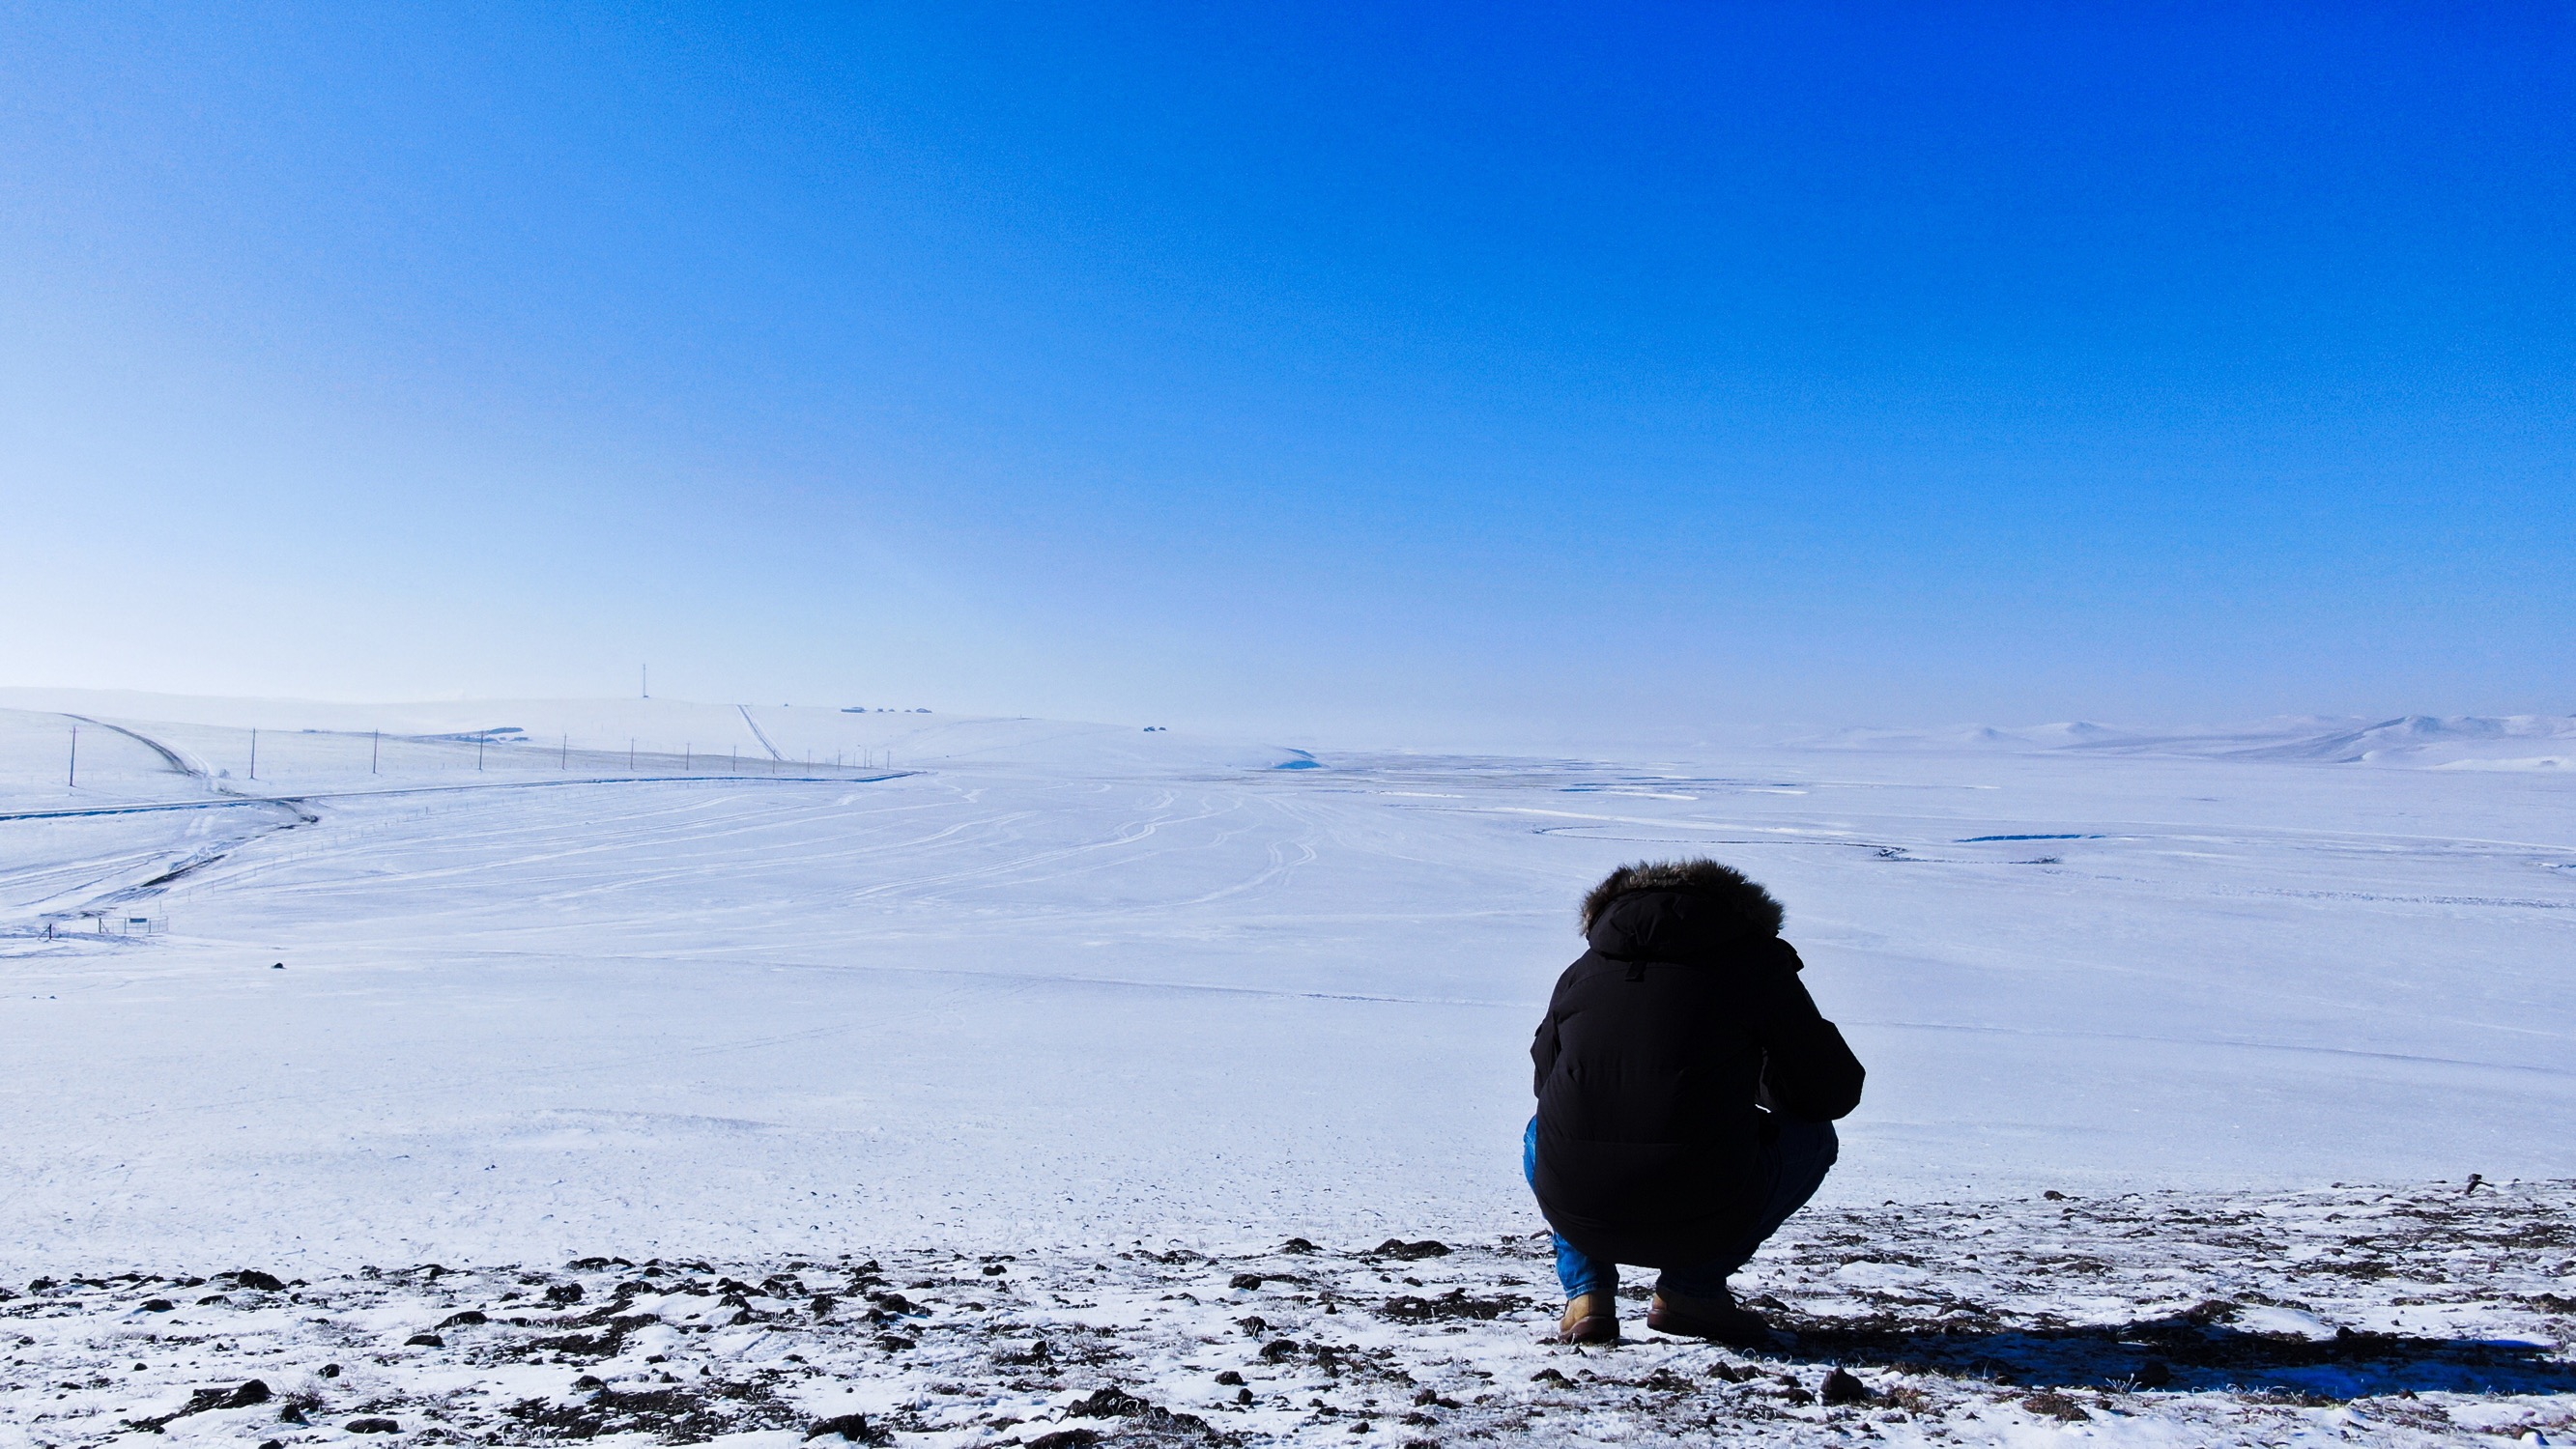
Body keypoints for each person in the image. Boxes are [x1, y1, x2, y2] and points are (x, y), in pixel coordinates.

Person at [1526, 859, 1865, 1345]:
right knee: (1812, 1138)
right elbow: (1830, 1090)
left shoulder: (1583, 971)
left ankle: (1586, 1293)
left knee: (1545, 1130)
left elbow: (1546, 1081)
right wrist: (1751, 1084)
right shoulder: (1756, 963)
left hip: (1580, 1203)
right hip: (1703, 1203)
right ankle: (1692, 1291)